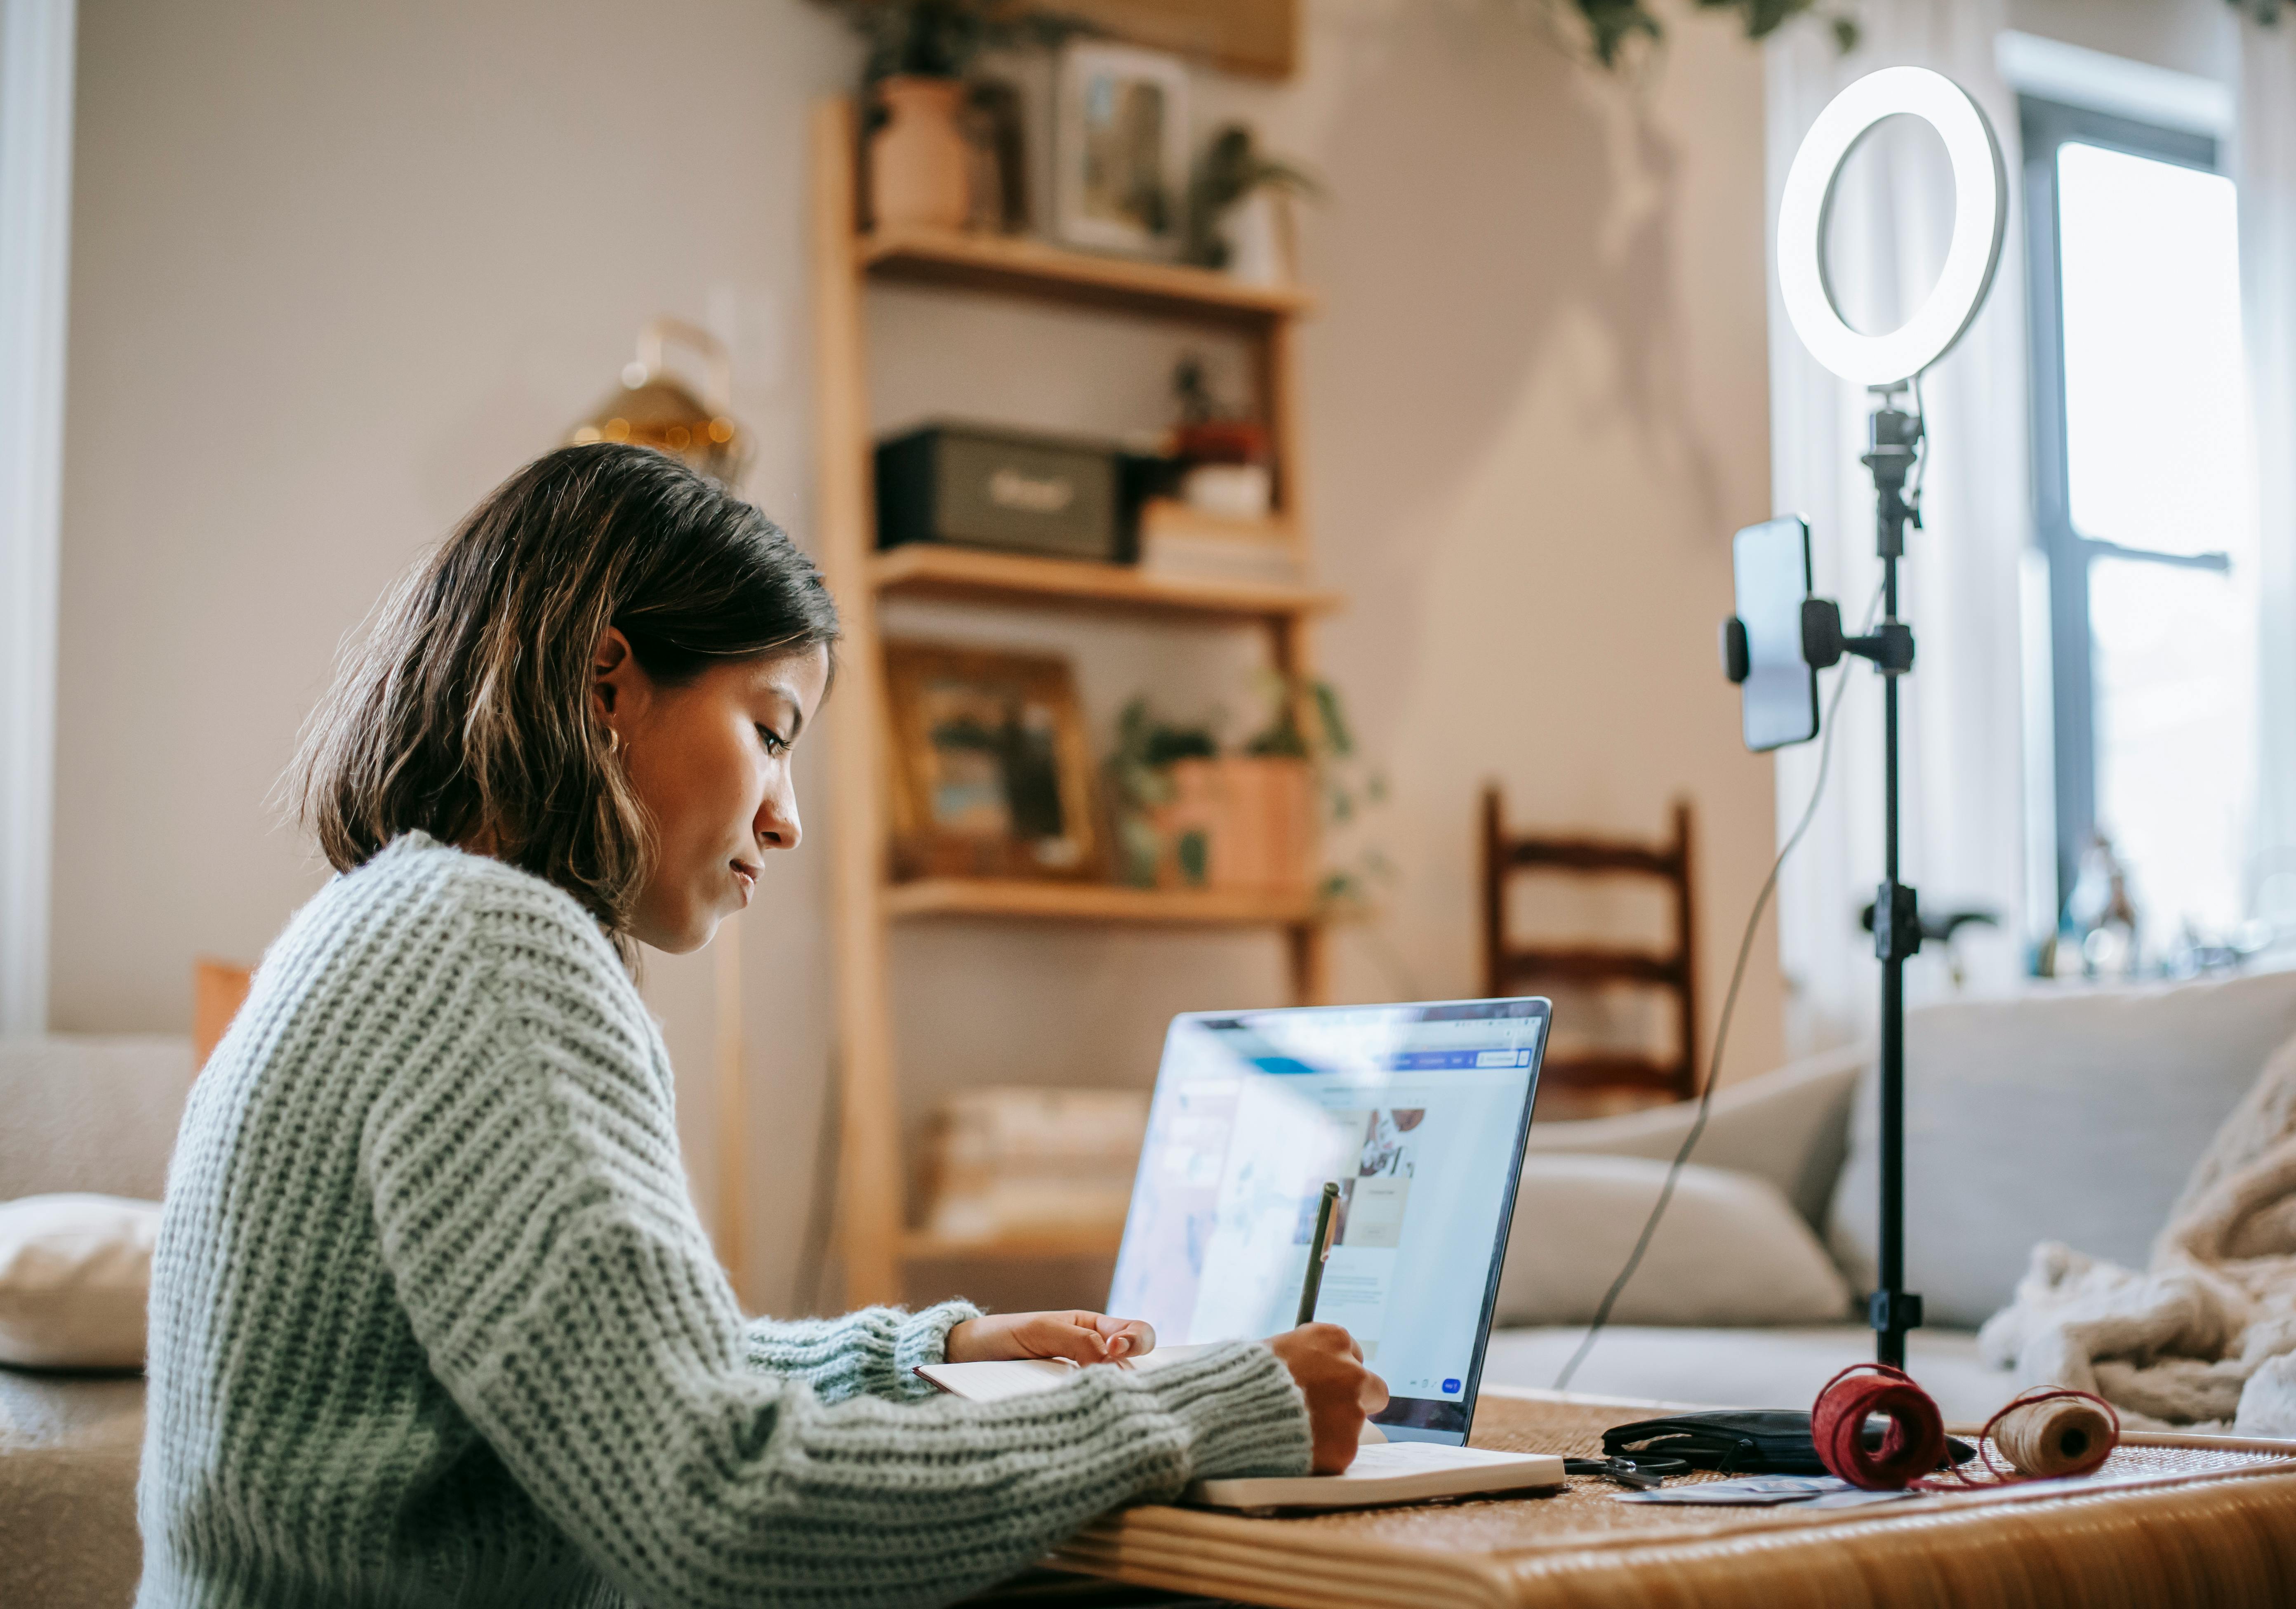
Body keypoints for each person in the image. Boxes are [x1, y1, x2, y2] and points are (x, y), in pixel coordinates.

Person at [137, 444, 1383, 1609]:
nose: (785, 819)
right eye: (770, 733)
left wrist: (928, 1354)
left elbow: (602, 1386)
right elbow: (716, 1506)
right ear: (603, 681)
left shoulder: (382, 925)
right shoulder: (493, 953)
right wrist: (1208, 1405)